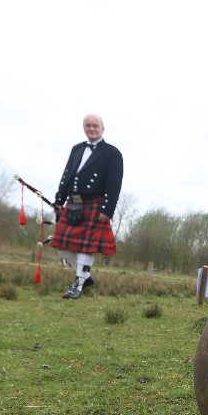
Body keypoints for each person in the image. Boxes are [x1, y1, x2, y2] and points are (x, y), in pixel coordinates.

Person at [51, 114, 123, 300]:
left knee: (85, 248)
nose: (91, 129)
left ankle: (79, 284)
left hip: (95, 204)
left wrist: (108, 209)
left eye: (95, 125)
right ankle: (85, 276)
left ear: (102, 128)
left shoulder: (112, 153)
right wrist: (59, 200)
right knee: (61, 245)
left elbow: (114, 184)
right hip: (74, 203)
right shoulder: (77, 149)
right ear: (84, 128)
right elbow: (67, 175)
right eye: (88, 125)